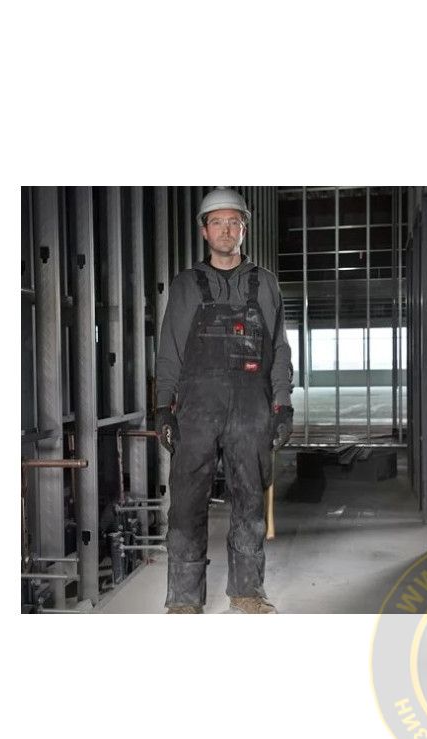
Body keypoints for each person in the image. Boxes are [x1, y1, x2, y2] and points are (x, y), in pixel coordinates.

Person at [155, 187, 295, 613]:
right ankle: (183, 600)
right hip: (196, 408)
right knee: (186, 502)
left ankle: (247, 592)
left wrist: (282, 405)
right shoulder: (186, 285)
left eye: (233, 222)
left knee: (250, 500)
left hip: (251, 407)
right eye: (217, 222)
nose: (226, 230)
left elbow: (279, 350)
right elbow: (169, 351)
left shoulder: (265, 283)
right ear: (204, 231)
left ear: (243, 229)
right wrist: (163, 407)